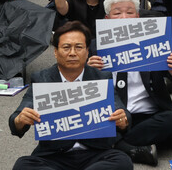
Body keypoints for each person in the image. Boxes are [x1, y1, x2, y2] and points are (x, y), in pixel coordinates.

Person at [9, 21, 133, 170]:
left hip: (96, 154)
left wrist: (123, 119)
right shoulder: (42, 78)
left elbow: (123, 113)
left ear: (87, 52)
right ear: (55, 51)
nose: (72, 53)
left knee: (122, 162)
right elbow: (16, 119)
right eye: (66, 47)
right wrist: (20, 120)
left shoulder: (100, 77)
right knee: (23, 165)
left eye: (79, 47)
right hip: (53, 156)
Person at [86, 0, 172, 166]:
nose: (124, 17)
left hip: (147, 115)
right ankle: (131, 148)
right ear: (107, 19)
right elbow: (82, 90)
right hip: (112, 115)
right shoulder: (94, 47)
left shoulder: (153, 41)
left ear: (138, 17)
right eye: (117, 13)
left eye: (129, 12)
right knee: (90, 123)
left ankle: (116, 145)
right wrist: (89, 72)